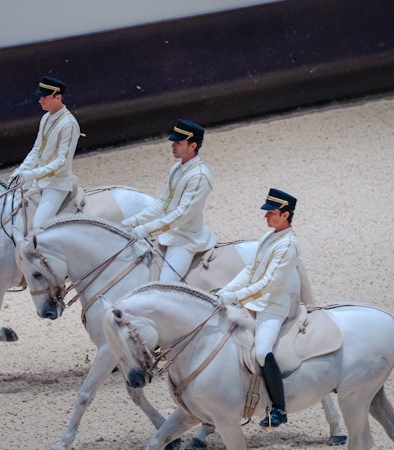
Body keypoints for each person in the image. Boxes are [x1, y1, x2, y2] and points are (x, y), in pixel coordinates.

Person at [216, 188, 302, 428]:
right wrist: (226, 290)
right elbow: (250, 271)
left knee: (261, 352)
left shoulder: (288, 245)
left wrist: (236, 297)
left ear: (285, 215)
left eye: (271, 213)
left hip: (272, 307)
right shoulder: (268, 236)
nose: (266, 217)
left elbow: (268, 284)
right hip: (252, 301)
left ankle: (279, 409)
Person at [121, 119, 216, 281]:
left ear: (193, 146)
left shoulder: (199, 176)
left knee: (164, 286)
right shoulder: (177, 168)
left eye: (178, 143)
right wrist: (134, 220)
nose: (173, 146)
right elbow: (162, 202)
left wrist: (146, 229)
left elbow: (181, 215)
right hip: (167, 232)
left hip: (185, 239)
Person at [10, 76, 81, 229]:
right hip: (38, 180)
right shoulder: (45, 118)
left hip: (57, 184)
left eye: (44, 97)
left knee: (38, 225)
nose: (40, 100)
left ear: (58, 97)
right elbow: (37, 150)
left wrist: (33, 173)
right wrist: (22, 169)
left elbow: (62, 162)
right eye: (40, 96)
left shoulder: (69, 124)